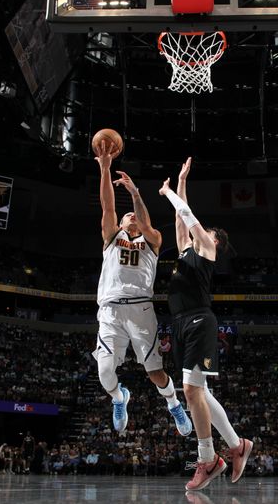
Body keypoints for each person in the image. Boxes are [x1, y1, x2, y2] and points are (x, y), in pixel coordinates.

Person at [158, 157, 253, 491]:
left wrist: (170, 192)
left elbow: (187, 216)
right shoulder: (186, 250)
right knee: (200, 393)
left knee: (190, 391)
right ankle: (237, 445)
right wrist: (181, 183)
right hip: (179, 323)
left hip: (200, 320)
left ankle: (208, 458)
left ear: (215, 241)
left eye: (207, 230)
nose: (202, 230)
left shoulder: (208, 248)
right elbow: (179, 220)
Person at [92, 141, 192, 436]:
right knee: (104, 373)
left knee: (155, 373)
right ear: (120, 224)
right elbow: (108, 205)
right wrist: (105, 168)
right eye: (127, 216)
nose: (130, 217)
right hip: (110, 310)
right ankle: (119, 397)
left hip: (141, 309)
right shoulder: (112, 237)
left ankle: (174, 404)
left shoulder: (152, 240)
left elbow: (145, 222)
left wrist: (135, 193)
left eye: (134, 215)